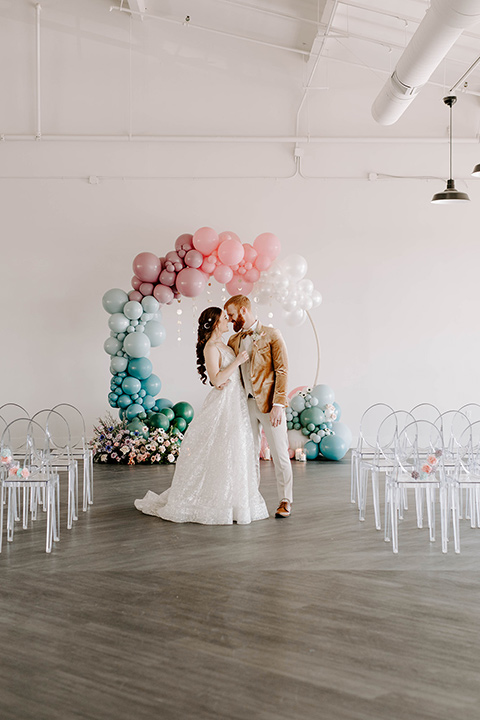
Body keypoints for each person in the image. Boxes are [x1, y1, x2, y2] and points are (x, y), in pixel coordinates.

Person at [134, 306, 269, 525]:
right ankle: (211, 499)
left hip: (236, 402)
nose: (227, 321)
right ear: (215, 323)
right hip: (224, 402)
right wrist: (237, 362)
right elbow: (216, 379)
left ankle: (234, 499)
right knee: (220, 448)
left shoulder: (224, 345)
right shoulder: (210, 347)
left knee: (234, 449)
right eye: (224, 319)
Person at [224, 295, 293, 518]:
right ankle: (252, 498)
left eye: (232, 314)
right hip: (244, 405)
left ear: (243, 311)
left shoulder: (272, 335)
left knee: (280, 453)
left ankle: (285, 500)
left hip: (269, 405)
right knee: (249, 454)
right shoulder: (233, 340)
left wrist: (278, 405)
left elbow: (282, 370)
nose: (230, 319)